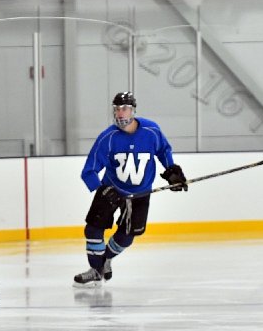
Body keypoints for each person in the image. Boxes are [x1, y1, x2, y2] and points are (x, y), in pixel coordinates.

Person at [73, 91, 188, 286]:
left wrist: (171, 171)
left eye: (124, 108)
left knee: (127, 235)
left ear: (133, 110)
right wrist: (101, 189)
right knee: (93, 229)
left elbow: (163, 150)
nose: (120, 113)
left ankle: (105, 261)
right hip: (112, 189)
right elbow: (89, 171)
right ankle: (95, 270)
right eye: (117, 109)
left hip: (140, 193)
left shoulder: (151, 131)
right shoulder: (107, 138)